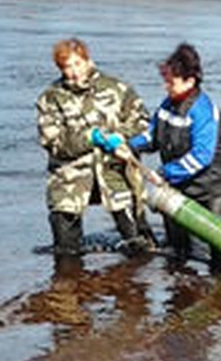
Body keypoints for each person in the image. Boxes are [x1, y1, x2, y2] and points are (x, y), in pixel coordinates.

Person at [129, 43, 221, 273]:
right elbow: (152, 136)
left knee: (219, 244)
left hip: (216, 183)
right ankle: (181, 283)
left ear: (190, 81)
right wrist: (126, 143)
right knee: (176, 245)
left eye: (171, 82)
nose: (165, 86)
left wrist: (164, 173)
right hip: (180, 181)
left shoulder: (203, 110)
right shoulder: (167, 106)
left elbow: (201, 156)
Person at [36, 37, 153, 258]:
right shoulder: (50, 98)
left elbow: (143, 122)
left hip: (115, 172)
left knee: (140, 245)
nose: (73, 72)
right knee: (65, 252)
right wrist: (89, 137)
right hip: (70, 178)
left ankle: (138, 282)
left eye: (77, 64)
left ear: (88, 61)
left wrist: (120, 136)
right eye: (66, 67)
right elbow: (52, 143)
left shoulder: (117, 88)